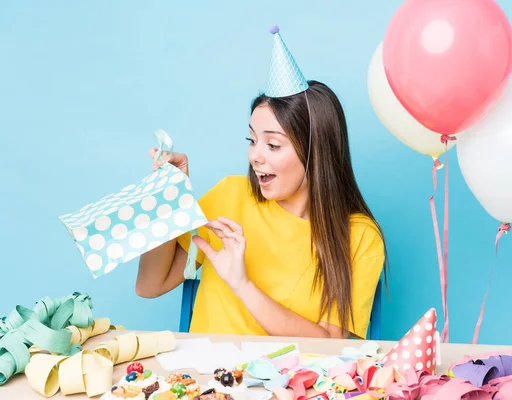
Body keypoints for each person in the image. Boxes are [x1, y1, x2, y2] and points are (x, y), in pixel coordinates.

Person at [136, 26, 388, 339]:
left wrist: (243, 286)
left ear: (316, 152)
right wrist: (169, 202)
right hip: (203, 381)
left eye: (273, 145)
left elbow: (333, 347)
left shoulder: (359, 237)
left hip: (293, 386)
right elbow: (149, 286)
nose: (255, 156)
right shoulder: (229, 195)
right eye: (252, 140)